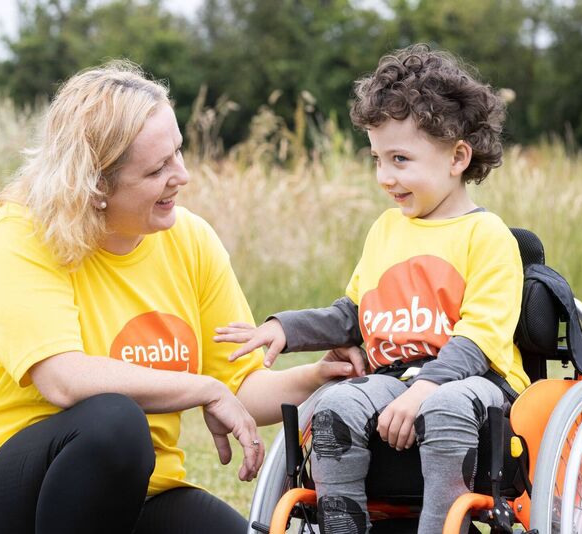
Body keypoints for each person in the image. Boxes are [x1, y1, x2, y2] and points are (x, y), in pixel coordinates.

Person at [0, 60, 360, 534]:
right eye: (158, 169)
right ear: (94, 185)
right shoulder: (24, 232)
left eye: (178, 151)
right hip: (3, 498)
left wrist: (321, 375)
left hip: (142, 495)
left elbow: (238, 386)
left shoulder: (190, 240)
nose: (183, 175)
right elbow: (62, 378)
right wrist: (202, 388)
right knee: (115, 423)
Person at [214, 45, 531, 534]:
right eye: (377, 160)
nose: (385, 177)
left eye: (400, 160)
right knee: (337, 402)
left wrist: (425, 387)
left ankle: (443, 523)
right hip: (397, 378)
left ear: (457, 157)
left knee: (444, 404)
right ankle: (344, 523)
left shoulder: (487, 237)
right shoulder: (386, 229)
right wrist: (287, 328)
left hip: (474, 387)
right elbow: (355, 313)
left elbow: (480, 339)